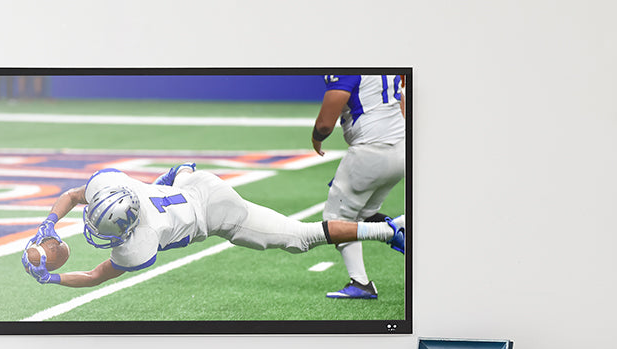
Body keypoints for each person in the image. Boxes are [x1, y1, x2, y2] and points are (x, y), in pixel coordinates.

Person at [22, 164, 404, 288]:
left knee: (301, 238)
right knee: (172, 177)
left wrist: (51, 279)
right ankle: (390, 229)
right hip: (192, 180)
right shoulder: (111, 186)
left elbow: (93, 275)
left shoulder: (137, 244)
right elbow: (73, 197)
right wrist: (48, 224)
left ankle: (388, 231)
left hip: (216, 214)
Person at [311, 74, 406, 300]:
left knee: (337, 219)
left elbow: (326, 122)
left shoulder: (349, 67)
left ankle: (361, 282)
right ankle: (398, 232)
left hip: (370, 150)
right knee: (365, 213)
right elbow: (400, 99)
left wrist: (316, 137)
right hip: (401, 147)